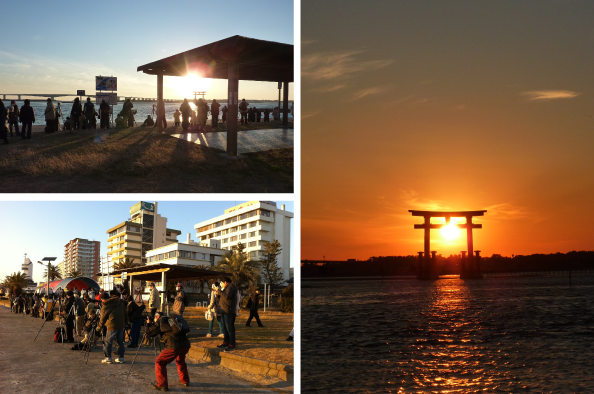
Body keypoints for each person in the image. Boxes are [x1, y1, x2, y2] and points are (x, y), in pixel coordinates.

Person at [146, 312, 191, 391]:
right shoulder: (172, 321)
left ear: (158, 316)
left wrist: (148, 324)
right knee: (180, 361)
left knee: (159, 361)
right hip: (185, 345)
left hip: (173, 346)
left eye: (155, 318)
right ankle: (185, 380)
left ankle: (162, 385)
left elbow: (150, 333)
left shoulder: (161, 322)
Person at [98, 290, 128, 364]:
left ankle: (108, 358)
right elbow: (125, 313)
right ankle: (121, 358)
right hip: (121, 325)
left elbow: (103, 318)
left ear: (103, 299)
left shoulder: (106, 305)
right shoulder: (120, 302)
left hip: (112, 325)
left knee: (108, 342)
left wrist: (99, 326)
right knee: (120, 342)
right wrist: (127, 322)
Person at [216, 276, 238, 351]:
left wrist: (219, 291)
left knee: (229, 329)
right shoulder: (226, 288)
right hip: (224, 310)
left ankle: (232, 345)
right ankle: (226, 343)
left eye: (221, 283)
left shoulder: (231, 287)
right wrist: (217, 294)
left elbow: (227, 296)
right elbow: (222, 299)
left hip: (228, 310)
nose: (221, 285)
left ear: (225, 282)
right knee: (225, 328)